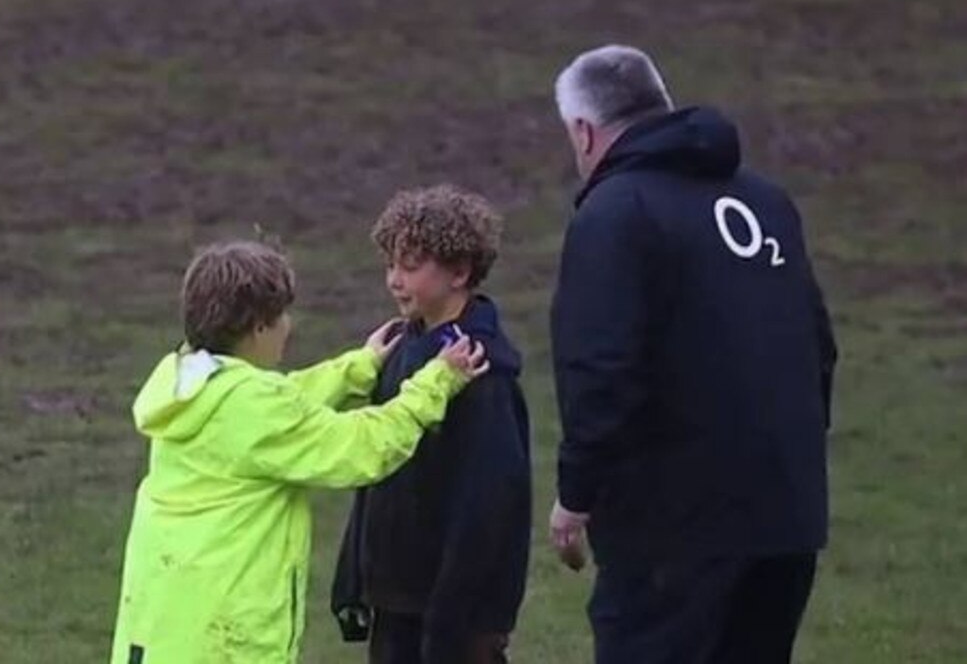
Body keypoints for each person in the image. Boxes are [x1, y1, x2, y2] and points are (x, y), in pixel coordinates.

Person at [546, 45, 839, 664]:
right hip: (785, 518)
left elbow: (601, 370)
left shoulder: (616, 213)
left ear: (583, 130)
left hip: (672, 530)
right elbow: (818, 347)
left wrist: (576, 494)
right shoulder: (767, 202)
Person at [109, 240, 489, 664]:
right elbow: (362, 447)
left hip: (163, 629)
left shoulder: (188, 385)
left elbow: (280, 404)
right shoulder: (254, 408)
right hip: (222, 640)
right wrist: (435, 382)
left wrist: (356, 369)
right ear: (257, 327)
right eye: (281, 317)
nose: (288, 327)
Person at [332, 185, 532, 664]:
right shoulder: (403, 347)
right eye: (390, 265)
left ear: (460, 272)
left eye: (411, 266)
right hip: (396, 603)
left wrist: (457, 620)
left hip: (453, 618)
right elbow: (379, 468)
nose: (394, 281)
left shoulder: (480, 375)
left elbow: (489, 508)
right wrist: (354, 578)